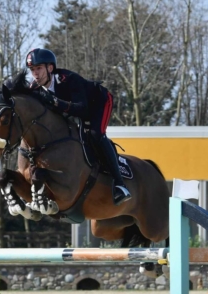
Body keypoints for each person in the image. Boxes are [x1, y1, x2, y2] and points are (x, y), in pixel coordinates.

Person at [25, 47, 131, 205]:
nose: (35, 74)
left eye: (39, 68)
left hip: (99, 102)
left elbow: (82, 109)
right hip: (76, 109)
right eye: (32, 70)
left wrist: (57, 102)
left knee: (95, 134)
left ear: (50, 68)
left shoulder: (68, 79)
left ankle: (120, 184)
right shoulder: (34, 88)